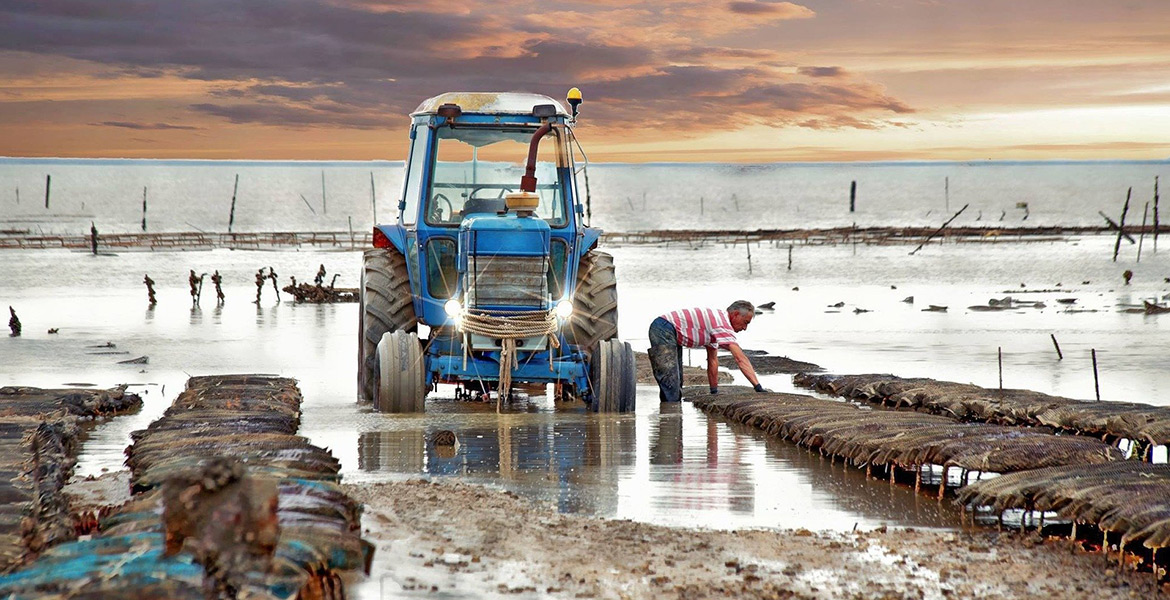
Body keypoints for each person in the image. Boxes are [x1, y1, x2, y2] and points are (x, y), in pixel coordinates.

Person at [647, 300, 768, 403]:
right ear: (735, 314)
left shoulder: (716, 327)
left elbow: (713, 361)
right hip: (664, 327)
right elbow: (740, 358)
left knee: (676, 381)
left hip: (673, 333)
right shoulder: (721, 325)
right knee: (670, 379)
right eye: (745, 322)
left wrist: (713, 392)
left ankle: (669, 413)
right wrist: (758, 387)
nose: (745, 328)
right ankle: (670, 417)